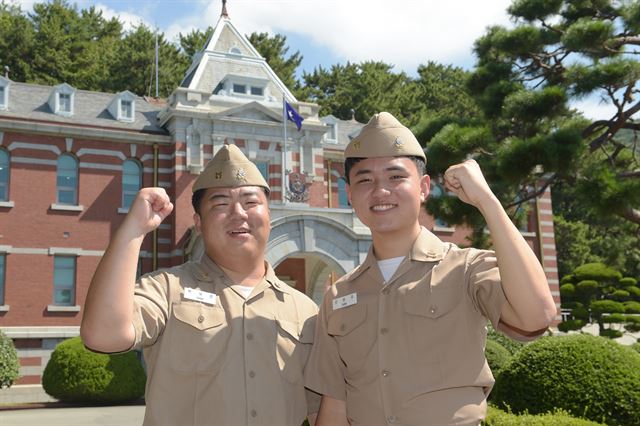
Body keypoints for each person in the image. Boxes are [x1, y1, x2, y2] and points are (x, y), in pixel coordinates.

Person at [305, 112, 557, 426]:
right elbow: (335, 402)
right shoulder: (339, 294)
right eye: (365, 179)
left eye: (396, 176)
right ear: (352, 196)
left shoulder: (466, 269)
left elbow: (537, 315)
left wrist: (487, 201)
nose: (381, 190)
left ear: (424, 187)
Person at [81, 144, 320, 426]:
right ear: (198, 222)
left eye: (251, 202)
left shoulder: (305, 310)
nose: (238, 213)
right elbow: (103, 334)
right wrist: (133, 231)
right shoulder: (168, 289)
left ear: (270, 216)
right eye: (220, 203)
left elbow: (321, 411)